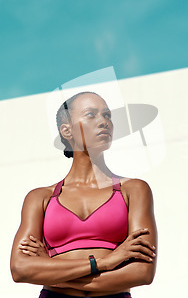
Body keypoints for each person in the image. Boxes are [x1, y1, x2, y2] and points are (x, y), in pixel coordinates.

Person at [10, 91, 158, 298]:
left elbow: (142, 272)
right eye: (91, 115)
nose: (104, 122)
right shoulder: (40, 198)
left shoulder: (134, 190)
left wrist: (51, 270)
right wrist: (104, 262)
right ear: (67, 130)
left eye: (107, 115)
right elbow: (20, 269)